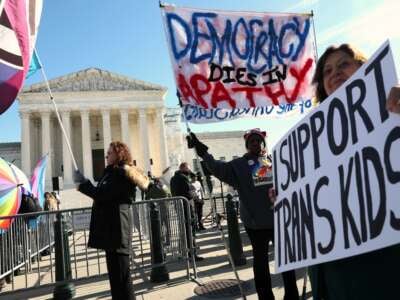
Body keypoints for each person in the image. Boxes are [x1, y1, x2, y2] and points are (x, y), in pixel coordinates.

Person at [304, 44, 400, 300]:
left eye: (344, 64)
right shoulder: (312, 139)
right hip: (331, 276)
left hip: (382, 269)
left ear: (364, 67)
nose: (334, 72)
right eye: (326, 70)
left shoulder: (393, 110)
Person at [187, 129, 299, 300]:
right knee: (261, 263)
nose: (255, 143)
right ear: (247, 145)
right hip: (255, 224)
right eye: (252, 141)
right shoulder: (238, 165)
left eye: (258, 141)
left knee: (286, 262)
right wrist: (202, 151)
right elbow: (218, 167)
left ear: (263, 144)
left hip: (278, 220)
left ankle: (292, 295)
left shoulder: (274, 161)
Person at [73, 141, 149, 300]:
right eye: (107, 153)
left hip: (118, 230)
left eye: (110, 153)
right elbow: (102, 193)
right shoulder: (110, 173)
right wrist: (85, 183)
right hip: (110, 230)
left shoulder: (122, 174)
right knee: (115, 279)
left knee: (122, 278)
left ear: (119, 154)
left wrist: (83, 184)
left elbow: (103, 195)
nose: (106, 155)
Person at [170, 162, 204, 261]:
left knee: (184, 229)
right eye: (188, 169)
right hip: (186, 205)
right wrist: (198, 200)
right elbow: (190, 192)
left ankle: (184, 252)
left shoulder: (173, 179)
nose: (189, 171)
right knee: (190, 229)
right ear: (183, 168)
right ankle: (192, 254)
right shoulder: (184, 178)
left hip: (178, 205)